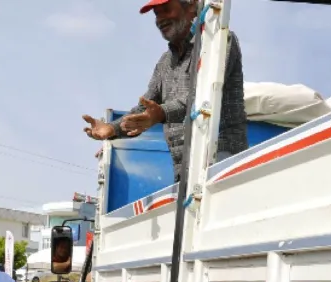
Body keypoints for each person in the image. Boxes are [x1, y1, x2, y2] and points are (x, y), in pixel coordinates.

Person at [81, 0, 247, 181]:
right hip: (183, 167)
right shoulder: (164, 63)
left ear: (191, 7)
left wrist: (160, 113)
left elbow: (201, 97)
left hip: (220, 158)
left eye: (166, 10)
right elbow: (145, 108)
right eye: (156, 14)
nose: (160, 19)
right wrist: (111, 129)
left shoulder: (219, 41)